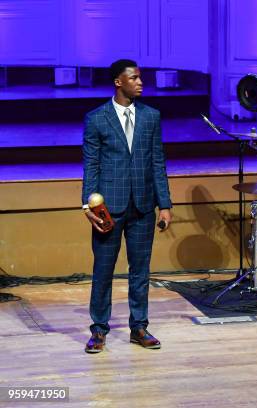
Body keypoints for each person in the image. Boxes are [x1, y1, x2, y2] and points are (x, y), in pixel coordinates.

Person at [81, 59, 172, 353]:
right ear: (118, 82)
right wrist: (89, 206)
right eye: (134, 78)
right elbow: (91, 165)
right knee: (103, 269)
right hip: (110, 206)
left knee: (140, 270)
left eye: (140, 78)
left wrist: (165, 204)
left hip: (143, 206)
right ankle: (98, 330)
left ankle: (139, 327)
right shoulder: (97, 118)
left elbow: (158, 162)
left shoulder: (151, 117)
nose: (140, 82)